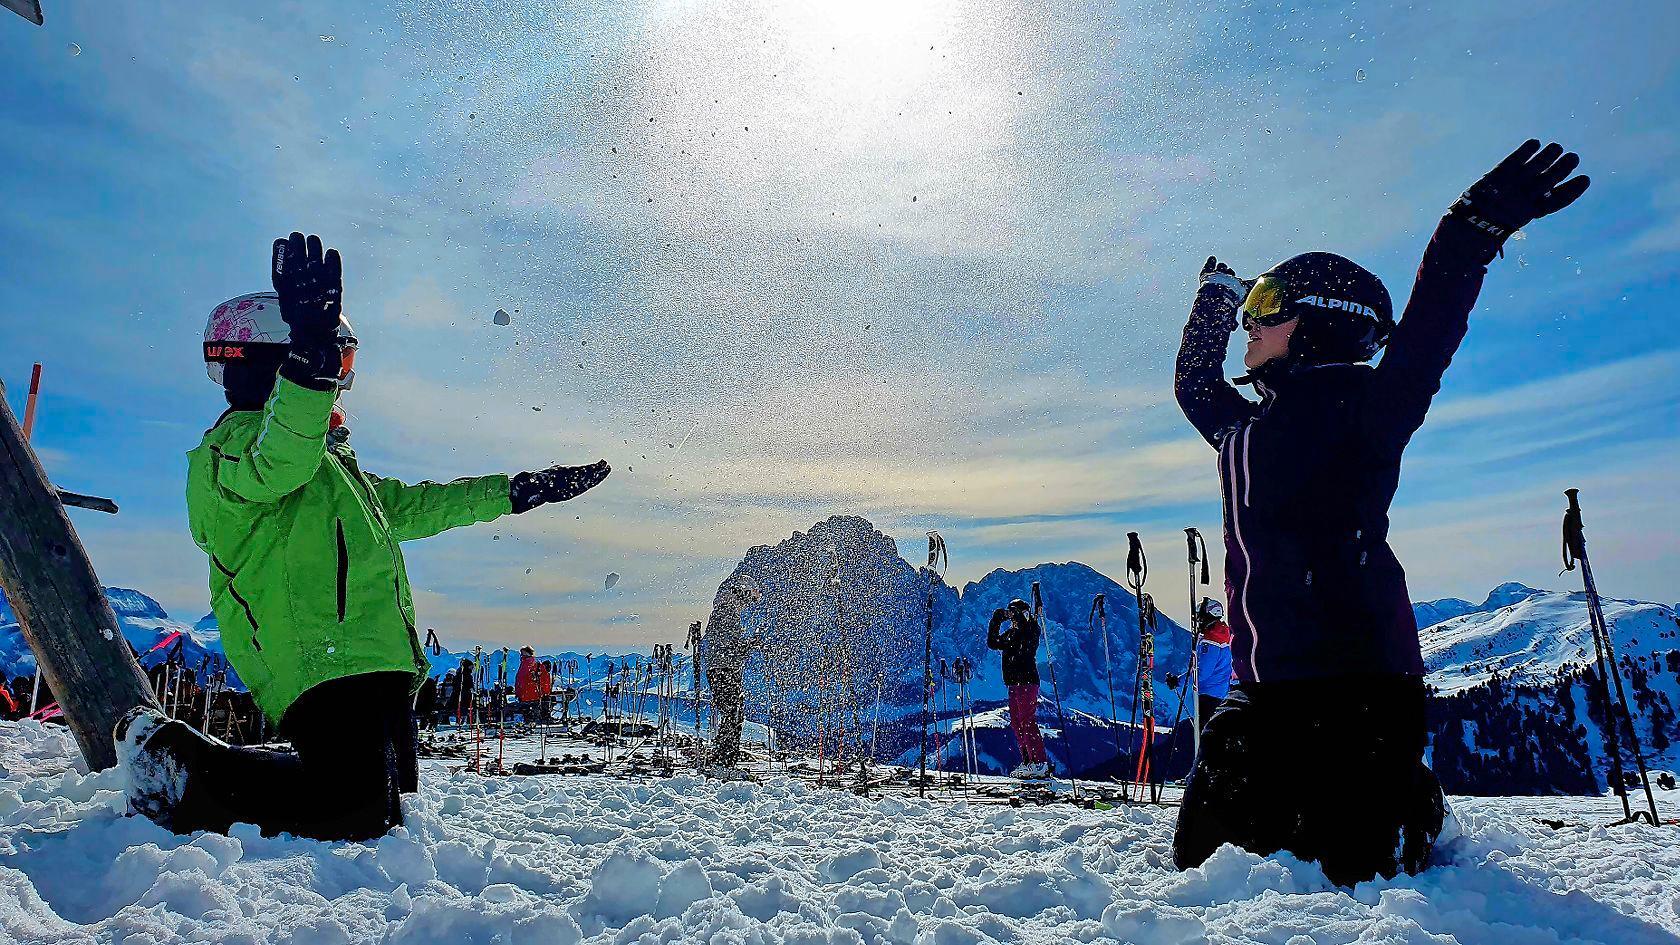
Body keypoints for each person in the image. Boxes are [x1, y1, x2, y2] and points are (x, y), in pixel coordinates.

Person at [1170, 141, 1589, 885]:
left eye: (1266, 309)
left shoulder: (1370, 411)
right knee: (1207, 857)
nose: (1250, 325)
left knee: (1360, 864)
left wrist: (1471, 229)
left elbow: (1431, 326)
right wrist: (1219, 296)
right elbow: (1194, 384)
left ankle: (1414, 800)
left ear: (1319, 323)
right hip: (1261, 696)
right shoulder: (1243, 433)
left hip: (1363, 692)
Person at [114, 231, 612, 841]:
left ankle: (205, 770)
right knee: (354, 809)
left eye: (341, 363)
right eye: (335, 362)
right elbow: (281, 460)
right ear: (274, 364)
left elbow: (422, 505)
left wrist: (515, 491)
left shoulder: (333, 472)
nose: (341, 380)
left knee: (381, 808)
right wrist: (310, 367)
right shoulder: (229, 455)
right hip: (322, 656)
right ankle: (181, 770)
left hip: (378, 659)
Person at [988, 599, 1050, 779]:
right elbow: (993, 643)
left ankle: (1039, 763)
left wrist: (1020, 616)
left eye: (1014, 612)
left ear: (1023, 613)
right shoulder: (1011, 633)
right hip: (1014, 683)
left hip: (1027, 681)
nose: (1012, 616)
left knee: (1027, 721)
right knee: (1017, 723)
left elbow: (1028, 642)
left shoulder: (1030, 629)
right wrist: (996, 620)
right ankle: (1028, 762)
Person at [1192, 598, 1232, 731]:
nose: (1199, 621)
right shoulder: (1224, 638)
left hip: (1208, 697)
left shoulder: (1211, 642)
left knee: (1205, 734)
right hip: (1220, 694)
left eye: (1201, 617)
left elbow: (1202, 673)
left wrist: (1178, 681)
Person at [514, 646, 552, 722]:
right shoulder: (525, 665)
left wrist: (545, 693)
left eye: (523, 653)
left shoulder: (534, 666)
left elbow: (545, 681)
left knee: (532, 718)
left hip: (532, 696)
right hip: (528, 696)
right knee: (530, 718)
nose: (522, 655)